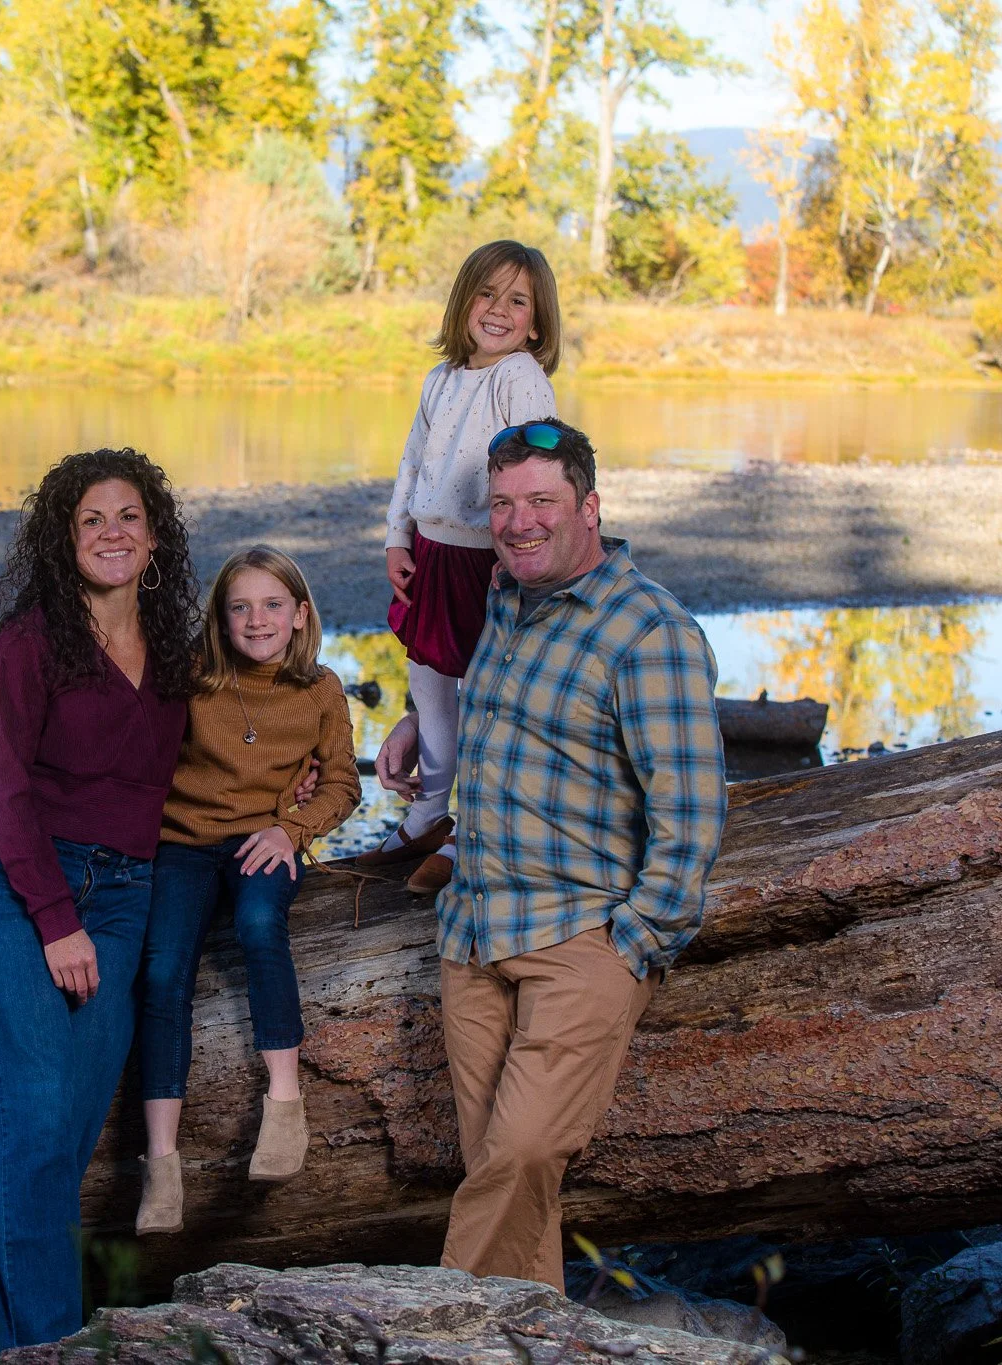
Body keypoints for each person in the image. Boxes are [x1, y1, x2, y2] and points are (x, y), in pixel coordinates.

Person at [374, 418, 726, 1292]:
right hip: (475, 934)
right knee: (507, 1178)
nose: (518, 520)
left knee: (522, 1152)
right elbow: (484, 705)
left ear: (590, 506)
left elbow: (690, 817)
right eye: (502, 504)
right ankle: (533, 1339)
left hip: (581, 938)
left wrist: (631, 946)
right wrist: (425, 717)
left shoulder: (651, 633)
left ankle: (436, 1338)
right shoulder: (507, 594)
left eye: (541, 501)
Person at [0, 448, 199, 1351]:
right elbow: (2, 791)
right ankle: (46, 1341)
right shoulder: (32, 640)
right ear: (65, 537)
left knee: (67, 1124)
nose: (112, 533)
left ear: (154, 536)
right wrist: (54, 920)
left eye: (128, 516)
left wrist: (298, 792)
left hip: (125, 893)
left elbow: (209, 759)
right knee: (32, 1115)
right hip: (24, 882)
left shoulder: (171, 650)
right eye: (92, 519)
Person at [134, 546, 362, 1234]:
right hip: (184, 843)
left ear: (299, 614)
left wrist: (293, 828)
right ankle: (161, 1162)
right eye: (240, 607)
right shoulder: (194, 679)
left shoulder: (320, 690)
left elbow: (345, 782)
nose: (255, 619)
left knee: (262, 925)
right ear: (221, 618)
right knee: (163, 970)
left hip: (266, 838)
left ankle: (285, 1106)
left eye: (271, 605)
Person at [359, 240, 563, 896]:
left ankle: (474, 826)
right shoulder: (441, 379)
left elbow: (534, 472)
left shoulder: (519, 377)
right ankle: (427, 810)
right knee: (432, 688)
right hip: (433, 552)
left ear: (535, 321)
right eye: (487, 293)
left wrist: (523, 550)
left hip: (492, 558)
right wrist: (398, 537)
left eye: (517, 300)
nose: (499, 310)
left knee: (487, 693)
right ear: (463, 300)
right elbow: (413, 463)